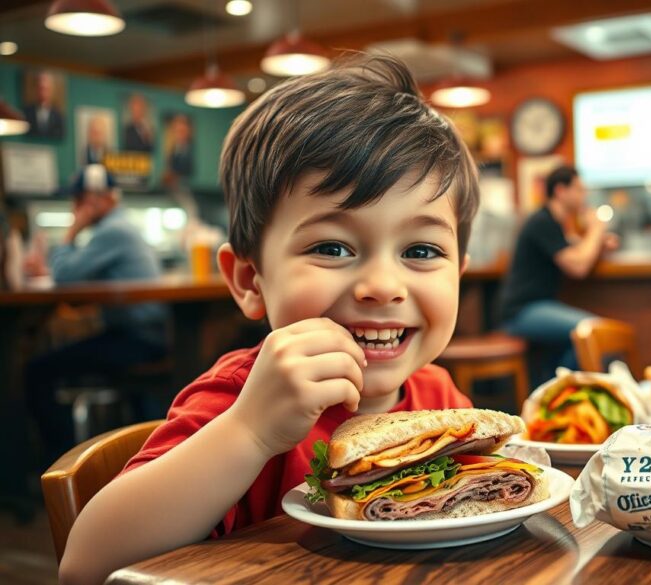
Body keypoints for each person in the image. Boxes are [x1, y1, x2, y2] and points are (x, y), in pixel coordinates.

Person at [58, 54, 480, 585]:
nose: (382, 287)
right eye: (332, 246)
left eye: (420, 251)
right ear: (249, 280)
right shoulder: (239, 399)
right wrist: (252, 432)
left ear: (459, 274)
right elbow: (85, 565)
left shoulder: (440, 398)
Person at [24, 165, 169, 466]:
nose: (74, 209)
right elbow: (77, 277)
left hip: (138, 340)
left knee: (37, 371)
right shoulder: (120, 227)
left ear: (95, 200)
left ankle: (61, 464)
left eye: (78, 201)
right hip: (145, 334)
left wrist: (72, 232)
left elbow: (65, 276)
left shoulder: (112, 230)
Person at [498, 165, 618, 384]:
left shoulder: (556, 224)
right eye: (580, 190)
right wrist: (596, 230)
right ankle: (557, 393)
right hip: (521, 311)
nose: (585, 196)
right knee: (591, 331)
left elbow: (578, 250)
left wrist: (598, 242)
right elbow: (578, 267)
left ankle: (554, 388)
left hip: (539, 307)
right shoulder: (542, 221)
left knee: (580, 339)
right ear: (561, 190)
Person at [23, 70, 64, 139]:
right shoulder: (27, 112)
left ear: (51, 91)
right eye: (40, 88)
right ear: (36, 89)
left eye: (46, 89)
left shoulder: (58, 115)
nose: (43, 93)